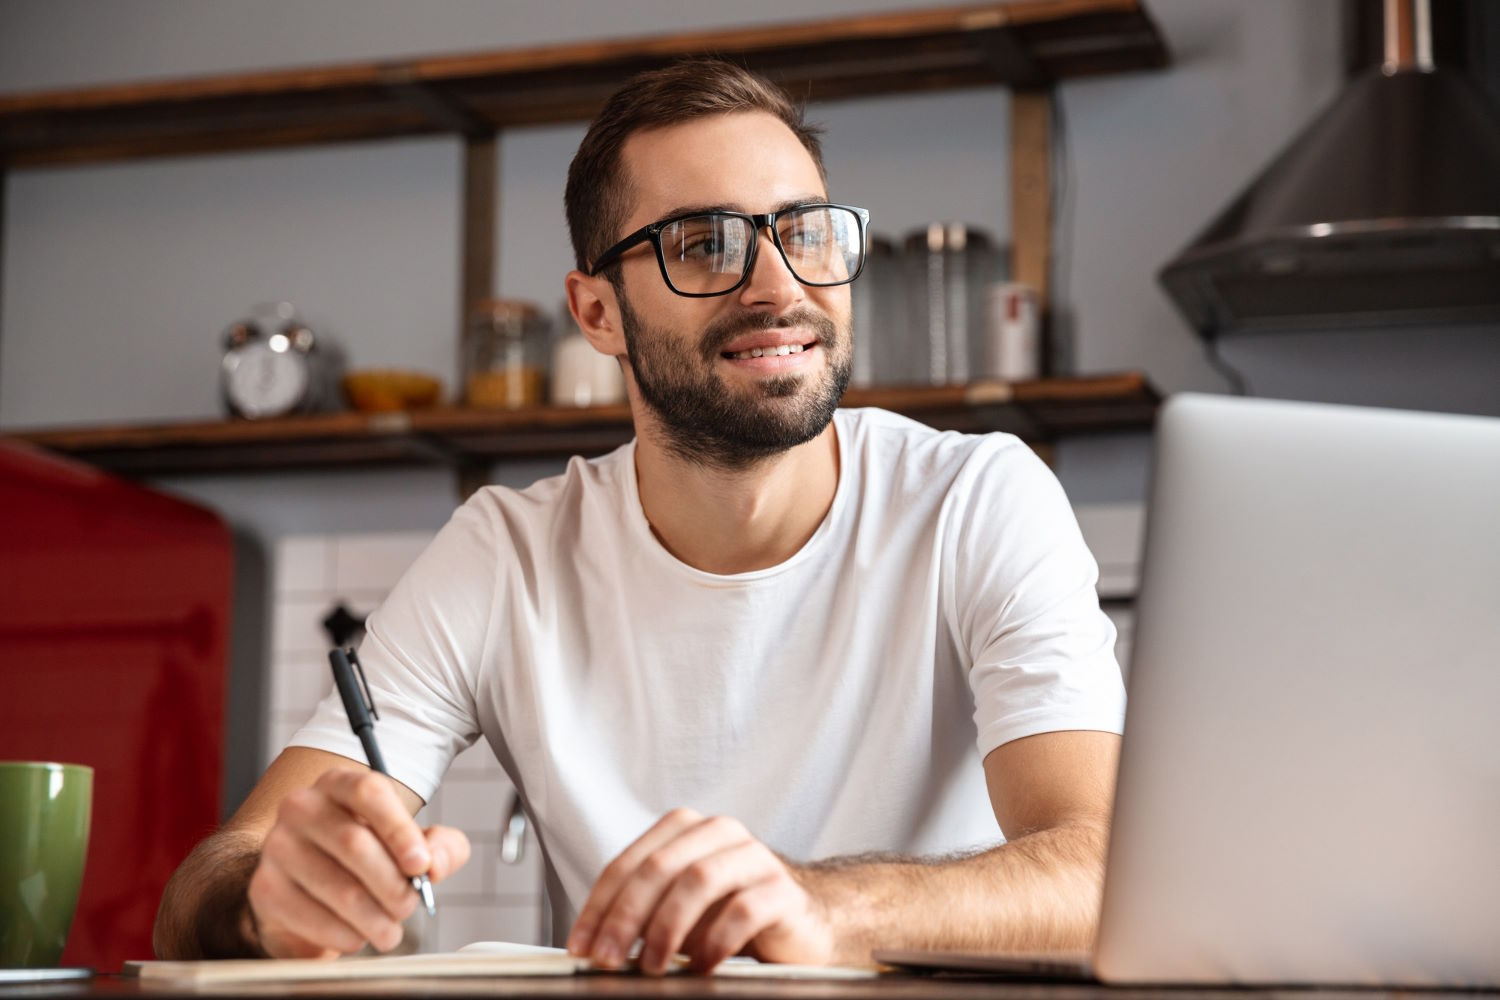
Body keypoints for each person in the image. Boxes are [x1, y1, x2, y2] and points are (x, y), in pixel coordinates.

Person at [154, 59, 1125, 974]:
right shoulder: (508, 556)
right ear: (596, 312)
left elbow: (1105, 866)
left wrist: (826, 906)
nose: (781, 286)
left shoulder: (976, 499)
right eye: (705, 243)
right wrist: (263, 901)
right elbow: (210, 879)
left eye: (808, 231)